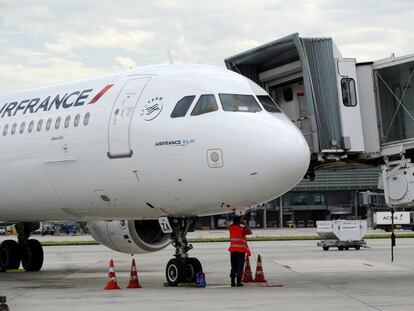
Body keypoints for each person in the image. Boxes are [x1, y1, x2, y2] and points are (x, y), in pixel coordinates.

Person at [228, 214, 252, 287]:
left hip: (233, 251)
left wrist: (238, 220)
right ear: (239, 222)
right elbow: (250, 232)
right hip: (240, 251)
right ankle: (238, 283)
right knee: (240, 267)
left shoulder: (231, 228)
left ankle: (232, 282)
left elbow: (231, 224)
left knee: (233, 267)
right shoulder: (242, 229)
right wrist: (244, 224)